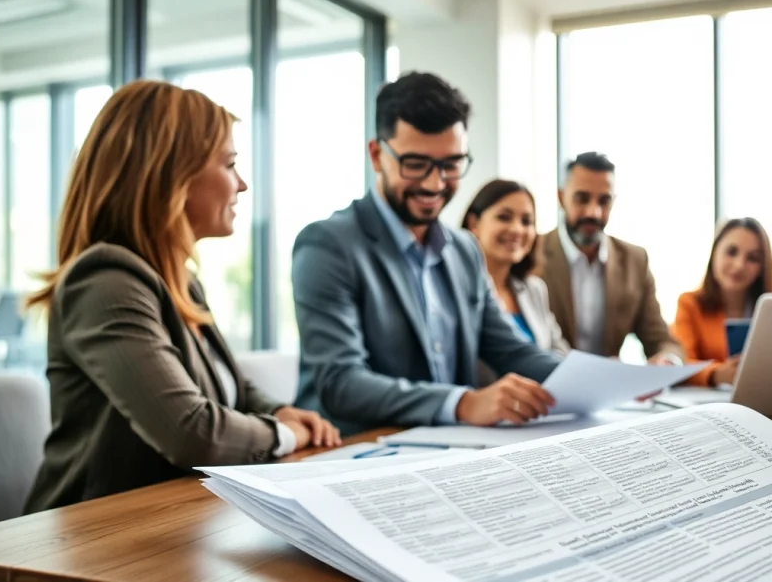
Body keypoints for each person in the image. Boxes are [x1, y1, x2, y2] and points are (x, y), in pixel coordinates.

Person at [22, 80, 340, 514]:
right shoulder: (105, 281)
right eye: (230, 164)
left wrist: (281, 411)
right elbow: (191, 432)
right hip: (93, 532)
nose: (242, 184)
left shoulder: (179, 280)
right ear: (171, 175)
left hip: (173, 516)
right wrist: (284, 434)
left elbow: (229, 388)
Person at [291, 71, 561, 437]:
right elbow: (342, 383)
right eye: (416, 165)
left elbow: (512, 350)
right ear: (377, 155)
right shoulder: (327, 245)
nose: (435, 184)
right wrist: (463, 404)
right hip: (354, 449)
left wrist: (597, 380)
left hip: (450, 449)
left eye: (451, 165)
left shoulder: (464, 250)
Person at [540, 151, 685, 364]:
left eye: (604, 201)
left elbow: (662, 340)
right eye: (582, 198)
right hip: (545, 380)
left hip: (611, 383)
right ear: (561, 197)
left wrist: (668, 361)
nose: (594, 212)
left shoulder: (635, 261)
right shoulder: (531, 254)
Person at [462, 179, 570, 383]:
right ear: (474, 223)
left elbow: (559, 351)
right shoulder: (456, 289)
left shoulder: (534, 289)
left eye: (527, 221)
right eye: (504, 217)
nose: (517, 229)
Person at [672, 217, 772, 386]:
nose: (739, 265)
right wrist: (717, 374)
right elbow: (681, 363)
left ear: (762, 267)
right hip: (711, 397)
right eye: (731, 252)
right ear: (714, 252)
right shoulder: (690, 303)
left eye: (753, 258)